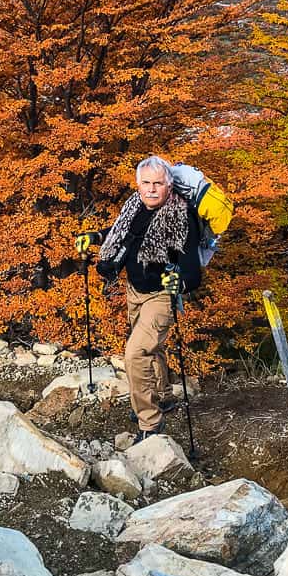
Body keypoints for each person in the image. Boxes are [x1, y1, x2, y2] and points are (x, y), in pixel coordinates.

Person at [75, 155, 202, 442]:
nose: (152, 189)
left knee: (135, 353)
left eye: (158, 183)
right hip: (134, 291)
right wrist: (96, 236)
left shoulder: (181, 217)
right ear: (138, 184)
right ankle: (164, 397)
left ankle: (150, 422)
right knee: (151, 348)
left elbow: (194, 269)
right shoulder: (134, 206)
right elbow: (124, 235)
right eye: (146, 183)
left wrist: (180, 281)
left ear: (169, 185)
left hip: (161, 296)